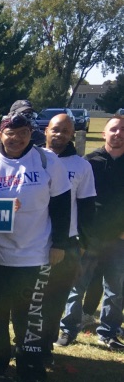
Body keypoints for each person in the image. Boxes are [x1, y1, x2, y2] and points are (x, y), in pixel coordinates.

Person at [0, 112, 70, 382]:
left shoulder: (47, 161)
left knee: (30, 316)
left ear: (31, 134)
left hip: (35, 253)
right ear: (0, 134)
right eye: (10, 133)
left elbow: (62, 206)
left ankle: (31, 369)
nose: (16, 139)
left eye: (23, 133)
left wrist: (60, 243)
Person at [60, 115, 124, 349]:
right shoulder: (90, 162)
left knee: (116, 290)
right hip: (89, 236)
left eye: (122, 130)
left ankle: (108, 332)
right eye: (113, 129)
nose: (118, 134)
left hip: (119, 239)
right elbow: (78, 199)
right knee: (77, 286)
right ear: (105, 134)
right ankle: (68, 330)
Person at [42, 113, 96, 352]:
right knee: (29, 299)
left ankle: (46, 344)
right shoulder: (35, 160)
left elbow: (87, 208)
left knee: (55, 298)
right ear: (46, 131)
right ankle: (26, 342)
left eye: (65, 131)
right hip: (33, 241)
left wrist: (82, 244)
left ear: (72, 134)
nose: (59, 134)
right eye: (55, 129)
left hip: (67, 244)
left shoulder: (81, 165)